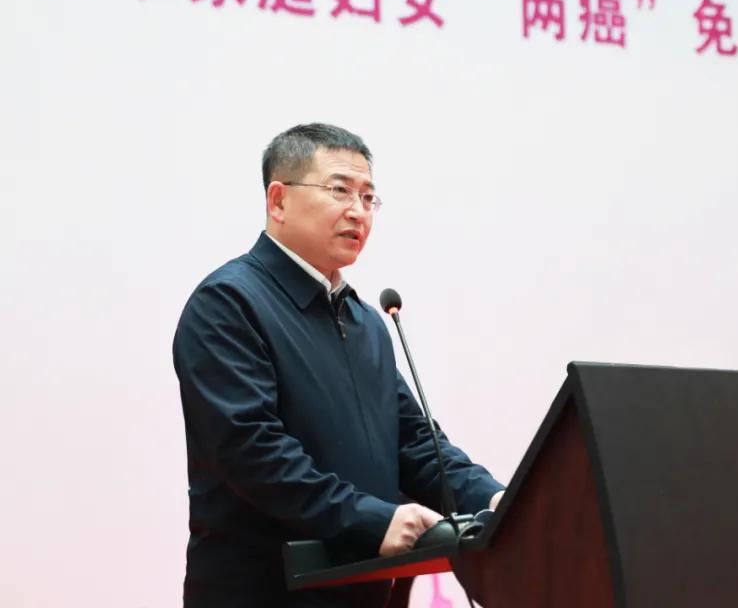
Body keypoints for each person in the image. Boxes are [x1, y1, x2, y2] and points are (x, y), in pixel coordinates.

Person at [172, 123, 504, 607]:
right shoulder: (228, 303)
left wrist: (498, 501)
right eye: (340, 190)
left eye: (368, 198)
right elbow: (250, 451)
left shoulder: (366, 321)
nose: (358, 211)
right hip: (264, 593)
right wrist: (370, 520)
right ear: (278, 200)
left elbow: (414, 444)